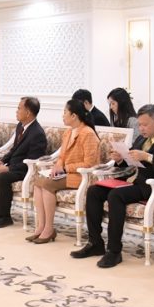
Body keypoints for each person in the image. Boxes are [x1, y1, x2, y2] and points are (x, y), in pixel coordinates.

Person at [74, 104, 154, 267]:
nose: (141, 128)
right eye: (139, 125)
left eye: (145, 125)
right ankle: (95, 243)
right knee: (94, 191)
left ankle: (114, 251)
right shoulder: (141, 139)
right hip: (131, 180)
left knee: (115, 195)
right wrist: (120, 159)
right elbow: (130, 159)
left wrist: (148, 157)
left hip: (151, 186)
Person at [28, 99, 100, 244]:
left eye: (65, 112)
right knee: (37, 182)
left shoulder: (88, 133)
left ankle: (49, 229)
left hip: (82, 176)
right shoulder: (68, 132)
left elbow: (89, 164)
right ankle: (41, 226)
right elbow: (62, 156)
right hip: (67, 174)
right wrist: (58, 166)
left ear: (74, 116)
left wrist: (65, 168)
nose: (63, 115)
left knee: (47, 184)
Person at [0, 97, 47, 228]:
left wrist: (9, 169)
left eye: (19, 108)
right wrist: (1, 162)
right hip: (14, 166)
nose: (16, 111)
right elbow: (14, 150)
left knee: (3, 177)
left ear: (28, 113)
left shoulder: (37, 134)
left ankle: (5, 217)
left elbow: (32, 161)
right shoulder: (21, 126)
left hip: (26, 170)